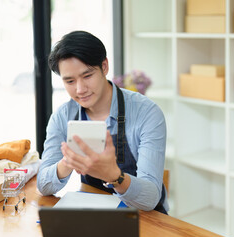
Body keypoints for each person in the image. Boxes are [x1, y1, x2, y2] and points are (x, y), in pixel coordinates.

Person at [37, 30, 168, 214]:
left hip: (144, 218)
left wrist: (113, 175)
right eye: (70, 81)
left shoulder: (146, 113)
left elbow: (150, 199)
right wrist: (68, 162)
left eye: (87, 76)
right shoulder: (62, 116)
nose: (80, 89)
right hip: (93, 214)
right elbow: (43, 184)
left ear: (104, 66)